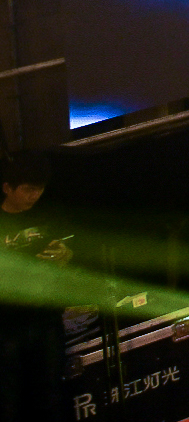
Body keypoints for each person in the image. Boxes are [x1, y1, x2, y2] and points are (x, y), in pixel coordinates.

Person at [0, 151, 69, 422]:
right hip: (7, 324)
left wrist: (65, 255)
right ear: (7, 188)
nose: (35, 196)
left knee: (50, 395)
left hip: (45, 318)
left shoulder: (49, 214)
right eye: (28, 189)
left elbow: (69, 250)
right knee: (9, 401)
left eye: (39, 189)